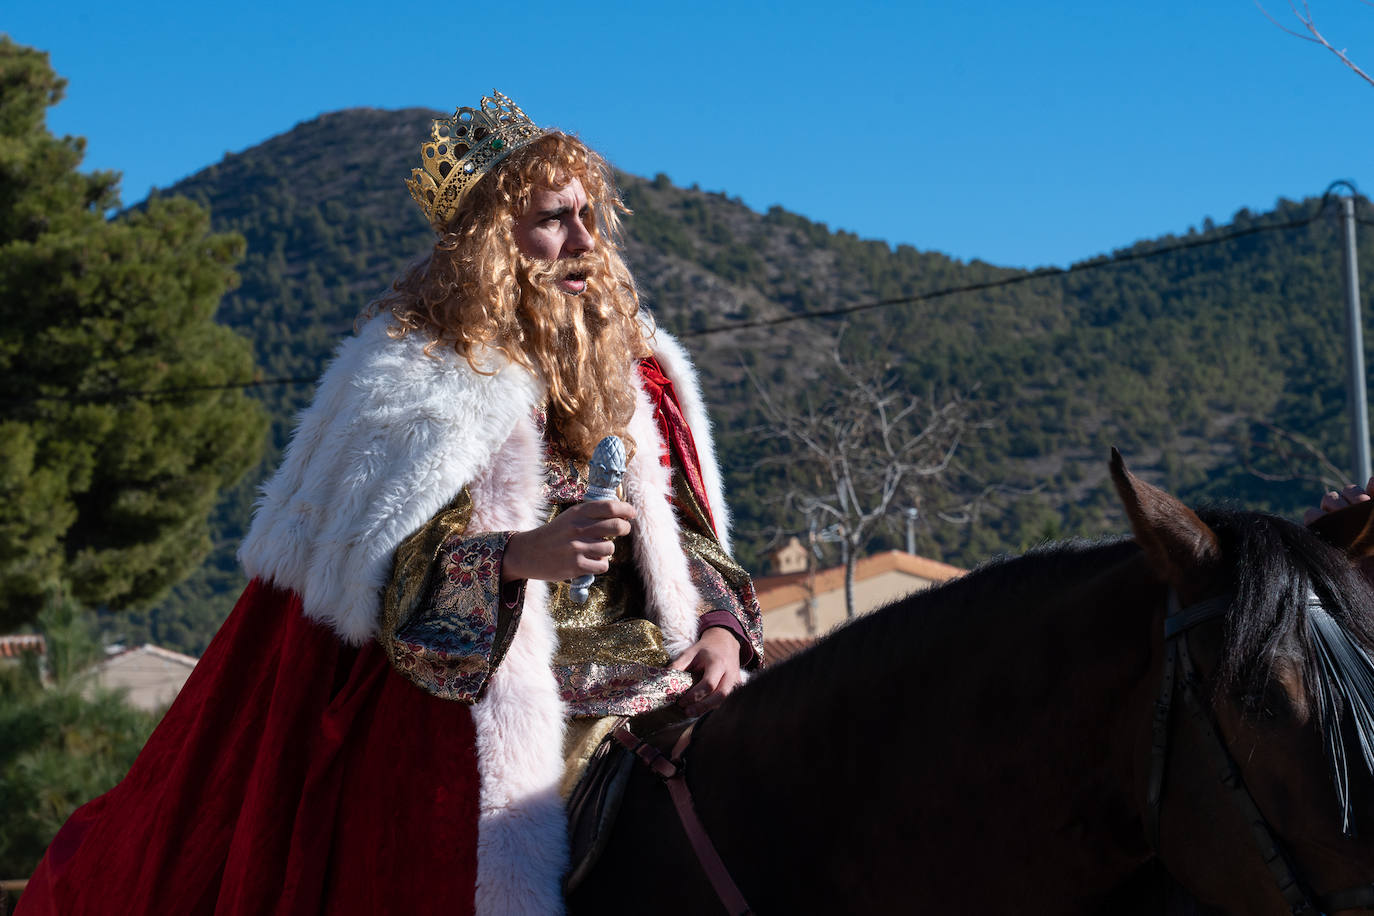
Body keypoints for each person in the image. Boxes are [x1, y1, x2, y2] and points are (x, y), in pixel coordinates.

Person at [18, 90, 762, 916]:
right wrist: (523, 557)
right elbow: (384, 583)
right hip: (491, 702)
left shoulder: (636, 370)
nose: (583, 242)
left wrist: (724, 629)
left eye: (588, 215)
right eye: (554, 219)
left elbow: (693, 540)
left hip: (662, 678)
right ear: (492, 241)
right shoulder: (419, 376)